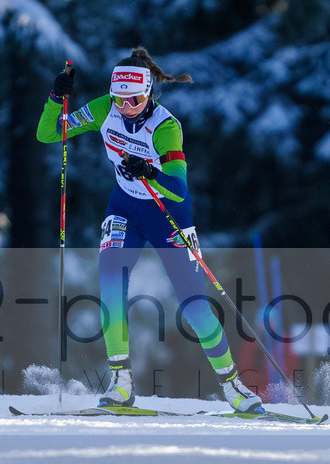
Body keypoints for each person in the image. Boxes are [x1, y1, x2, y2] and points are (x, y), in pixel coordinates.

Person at [36, 47, 263, 413]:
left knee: (195, 307)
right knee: (110, 287)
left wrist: (151, 172)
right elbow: (48, 134)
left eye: (135, 99)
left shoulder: (166, 127)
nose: (126, 107)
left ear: (150, 94)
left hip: (168, 215)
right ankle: (121, 382)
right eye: (119, 99)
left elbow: (179, 188)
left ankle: (233, 385)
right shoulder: (103, 110)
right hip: (125, 208)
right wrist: (55, 98)